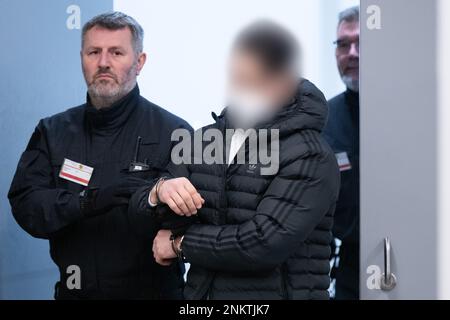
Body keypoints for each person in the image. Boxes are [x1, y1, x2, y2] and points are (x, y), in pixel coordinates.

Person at [130, 21, 340, 300]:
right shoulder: (203, 140)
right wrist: (158, 192)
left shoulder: (310, 154)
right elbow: (141, 219)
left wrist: (181, 244)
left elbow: (263, 244)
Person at [8, 12, 191, 300]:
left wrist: (151, 202)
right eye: (94, 52)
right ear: (82, 57)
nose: (103, 62)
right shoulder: (52, 131)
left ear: (139, 62)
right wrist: (84, 202)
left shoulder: (174, 131)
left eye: (116, 52)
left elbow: (190, 219)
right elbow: (26, 204)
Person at [323, 6, 360, 300]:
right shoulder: (324, 118)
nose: (353, 53)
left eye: (362, 43)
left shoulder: (414, 114)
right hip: (347, 262)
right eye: (343, 44)